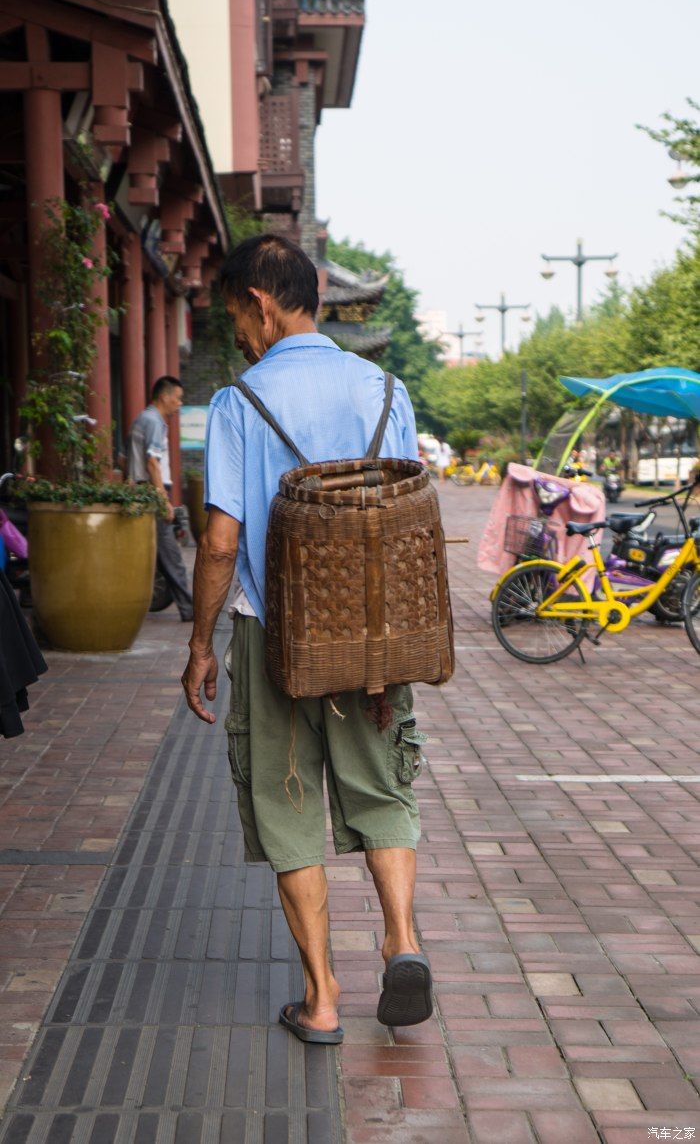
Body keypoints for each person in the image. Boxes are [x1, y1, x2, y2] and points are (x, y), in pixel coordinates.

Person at [181, 233, 432, 1045]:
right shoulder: (388, 391)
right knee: (383, 795)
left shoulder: (237, 402)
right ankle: (401, 938)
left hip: (275, 639)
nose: (240, 338)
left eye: (237, 320)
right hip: (370, 640)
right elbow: (402, 517)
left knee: (287, 808)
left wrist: (200, 645)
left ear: (260, 302)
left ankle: (322, 1000)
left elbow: (221, 540)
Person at [127, 376, 193, 622]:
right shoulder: (154, 421)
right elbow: (152, 462)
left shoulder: (141, 419)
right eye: (177, 398)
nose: (179, 404)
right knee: (170, 553)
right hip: (151, 490)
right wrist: (163, 499)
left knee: (156, 553)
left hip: (141, 489)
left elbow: (127, 460)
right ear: (164, 396)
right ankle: (189, 608)